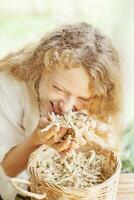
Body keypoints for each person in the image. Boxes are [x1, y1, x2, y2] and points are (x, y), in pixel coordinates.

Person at [0, 23, 122, 200]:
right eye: (58, 88)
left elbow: (100, 166)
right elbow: (6, 170)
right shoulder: (10, 86)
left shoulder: (98, 99)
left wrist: (85, 142)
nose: (66, 107)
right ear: (41, 68)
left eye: (83, 99)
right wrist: (35, 141)